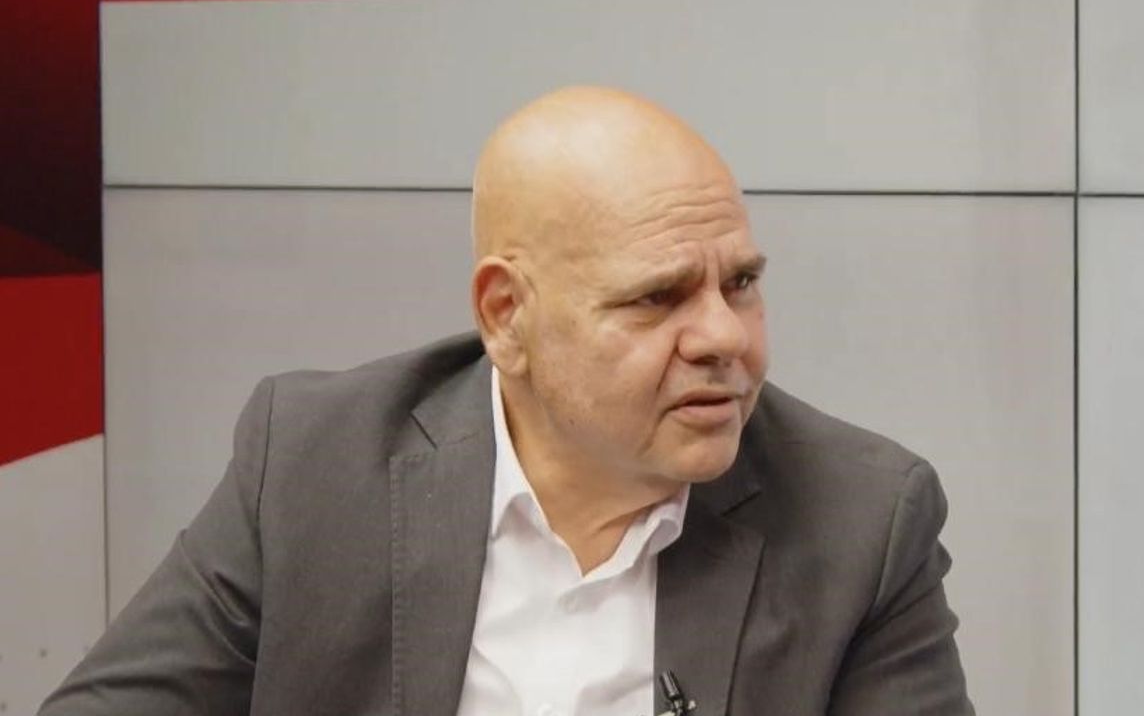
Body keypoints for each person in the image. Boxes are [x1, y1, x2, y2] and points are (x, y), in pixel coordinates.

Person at [40, 86, 973, 715]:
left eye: (741, 284)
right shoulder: (315, 465)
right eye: (658, 298)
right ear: (506, 315)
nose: (724, 337)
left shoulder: (860, 521)